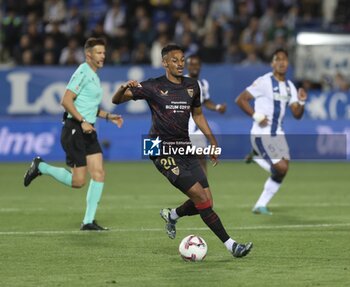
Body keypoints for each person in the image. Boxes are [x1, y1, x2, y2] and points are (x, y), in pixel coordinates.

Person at [112, 44, 252, 258]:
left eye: (182, 60)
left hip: (183, 145)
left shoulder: (192, 85)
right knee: (198, 196)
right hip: (158, 147)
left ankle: (172, 215)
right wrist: (123, 88)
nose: (180, 64)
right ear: (165, 63)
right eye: (175, 60)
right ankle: (231, 245)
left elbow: (198, 115)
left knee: (207, 201)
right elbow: (116, 100)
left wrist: (212, 141)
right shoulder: (153, 86)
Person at [24, 37, 123, 230]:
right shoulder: (83, 72)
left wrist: (109, 116)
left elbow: (87, 107)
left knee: (99, 173)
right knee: (78, 182)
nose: (103, 56)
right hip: (75, 129)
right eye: (99, 53)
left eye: (104, 52)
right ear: (88, 55)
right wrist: (83, 121)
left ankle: (88, 221)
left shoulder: (94, 75)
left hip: (88, 129)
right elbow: (66, 101)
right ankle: (41, 166)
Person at [235, 48, 307, 215]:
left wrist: (302, 102)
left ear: (288, 64)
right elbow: (241, 99)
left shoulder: (290, 87)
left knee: (284, 170)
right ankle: (257, 157)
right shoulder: (264, 81)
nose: (282, 62)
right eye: (278, 59)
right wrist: (255, 115)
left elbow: (297, 114)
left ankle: (260, 205)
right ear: (272, 63)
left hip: (278, 134)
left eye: (285, 59)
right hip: (262, 133)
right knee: (280, 168)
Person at [186, 54, 227, 174]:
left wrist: (217, 107)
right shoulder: (181, 82)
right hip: (183, 126)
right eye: (192, 64)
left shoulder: (203, 84)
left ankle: (204, 189)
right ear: (187, 66)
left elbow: (206, 101)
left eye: (197, 64)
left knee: (201, 159)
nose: (194, 67)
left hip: (197, 126)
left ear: (200, 66)